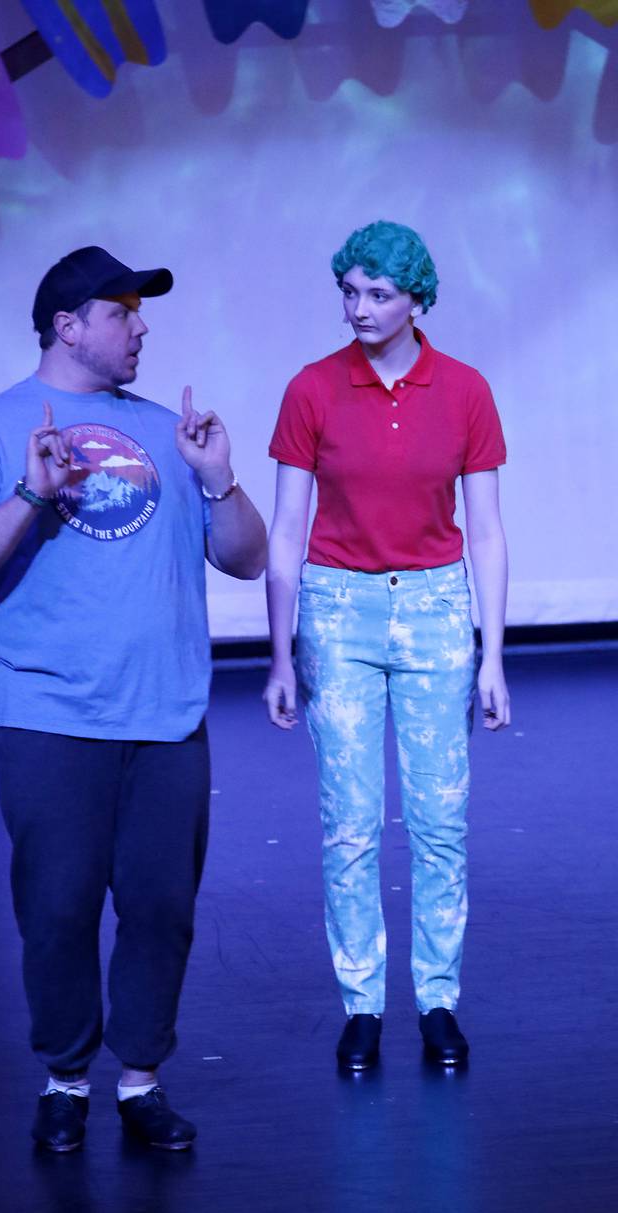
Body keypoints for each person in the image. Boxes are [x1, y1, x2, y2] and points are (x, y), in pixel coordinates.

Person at [0, 245, 266, 1151]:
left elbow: (246, 556)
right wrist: (32, 495)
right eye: (122, 312)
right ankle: (65, 1080)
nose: (141, 325)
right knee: (59, 908)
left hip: (166, 714)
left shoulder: (166, 432)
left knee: (161, 907)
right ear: (68, 326)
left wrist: (218, 474)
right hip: (48, 717)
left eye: (139, 312)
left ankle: (141, 1081)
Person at [264, 220, 509, 1071]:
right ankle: (362, 1003)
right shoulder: (312, 389)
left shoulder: (466, 390)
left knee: (442, 821)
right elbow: (287, 528)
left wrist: (494, 653)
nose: (357, 308)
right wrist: (280, 654)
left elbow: (486, 529)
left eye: (377, 294)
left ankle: (437, 999)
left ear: (417, 300)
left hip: (440, 606)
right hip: (336, 609)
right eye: (350, 290)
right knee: (352, 822)